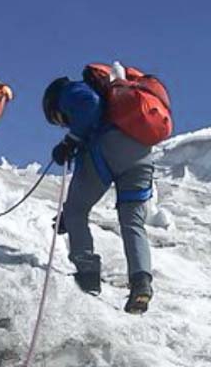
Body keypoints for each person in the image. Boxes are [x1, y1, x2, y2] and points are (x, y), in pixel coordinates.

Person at [42, 63, 158, 314]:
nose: (62, 124)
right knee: (132, 222)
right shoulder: (123, 103)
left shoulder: (70, 90)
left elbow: (89, 107)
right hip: (143, 155)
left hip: (110, 147)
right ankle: (141, 283)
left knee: (76, 211)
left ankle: (88, 275)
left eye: (58, 120)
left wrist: (70, 141)